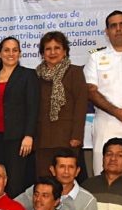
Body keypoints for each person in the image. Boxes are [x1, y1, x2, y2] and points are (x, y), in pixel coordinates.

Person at [86, 11, 122, 180]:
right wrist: (117, 112)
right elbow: (90, 91)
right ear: (107, 31)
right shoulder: (96, 57)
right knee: (103, 177)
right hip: (107, 124)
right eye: (113, 26)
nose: (118, 29)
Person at [34, 31, 87, 178]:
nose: (52, 52)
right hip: (42, 139)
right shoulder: (35, 75)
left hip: (67, 139)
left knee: (66, 180)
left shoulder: (75, 72)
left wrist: (77, 135)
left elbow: (81, 105)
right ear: (42, 53)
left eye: (57, 48)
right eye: (48, 49)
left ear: (64, 51)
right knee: (45, 181)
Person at [0, 37, 40, 197]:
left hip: (18, 138)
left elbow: (33, 107)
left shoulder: (28, 75)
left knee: (15, 182)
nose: (10, 54)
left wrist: (29, 135)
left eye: (15, 50)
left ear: (20, 53)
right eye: (6, 50)